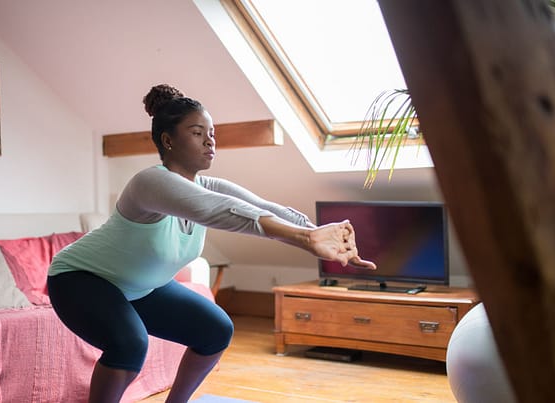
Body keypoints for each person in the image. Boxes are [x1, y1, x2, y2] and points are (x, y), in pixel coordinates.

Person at [47, 84, 376, 403]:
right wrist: (306, 239)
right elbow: (219, 211)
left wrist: (321, 231)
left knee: (215, 330)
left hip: (137, 285)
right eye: (196, 132)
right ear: (168, 140)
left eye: (211, 133)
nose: (209, 141)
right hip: (80, 280)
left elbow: (263, 208)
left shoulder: (207, 184)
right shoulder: (149, 183)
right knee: (130, 344)